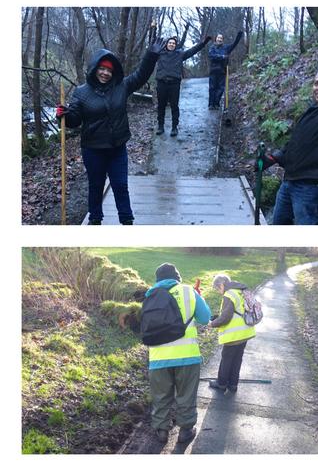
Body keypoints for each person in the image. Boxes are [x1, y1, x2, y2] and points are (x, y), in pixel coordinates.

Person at [56, 39, 164, 224]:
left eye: (109, 70)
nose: (105, 73)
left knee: (121, 186)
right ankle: (95, 219)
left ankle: (127, 220)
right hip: (93, 149)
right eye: (102, 68)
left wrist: (151, 55)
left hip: (117, 148)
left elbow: (141, 75)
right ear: (94, 68)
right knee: (96, 186)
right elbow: (74, 121)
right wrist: (63, 115)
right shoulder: (81, 92)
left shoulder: (121, 86)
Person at [267, 30, 318, 225]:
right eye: (316, 83)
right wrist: (275, 157)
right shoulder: (311, 111)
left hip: (311, 185)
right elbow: (297, 144)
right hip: (289, 181)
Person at [145, 263, 211, 444]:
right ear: (178, 278)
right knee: (186, 395)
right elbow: (205, 318)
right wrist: (199, 298)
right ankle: (185, 431)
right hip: (187, 357)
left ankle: (161, 432)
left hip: (158, 359)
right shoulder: (189, 292)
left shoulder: (150, 295)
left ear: (158, 279)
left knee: (161, 397)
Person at [208, 273, 256, 393]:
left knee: (227, 359)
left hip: (234, 335)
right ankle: (233, 384)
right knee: (237, 359)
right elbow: (235, 311)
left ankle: (222, 383)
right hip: (245, 331)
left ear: (222, 284)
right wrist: (216, 317)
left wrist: (212, 324)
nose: (219, 292)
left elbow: (226, 317)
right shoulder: (239, 290)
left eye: (218, 289)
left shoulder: (229, 294)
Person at [155, 34, 211, 136]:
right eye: (170, 43)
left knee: (174, 106)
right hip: (161, 83)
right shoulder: (160, 53)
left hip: (174, 84)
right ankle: (160, 126)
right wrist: (153, 30)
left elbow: (193, 50)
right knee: (161, 106)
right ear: (166, 44)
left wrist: (203, 43)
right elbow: (152, 46)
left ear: (176, 45)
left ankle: (174, 127)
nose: (171, 44)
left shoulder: (180, 54)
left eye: (173, 43)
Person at [207, 31, 244, 110]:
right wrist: (222, 57)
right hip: (213, 71)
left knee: (220, 88)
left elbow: (234, 44)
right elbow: (212, 56)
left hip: (222, 71)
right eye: (218, 38)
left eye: (221, 38)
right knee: (212, 88)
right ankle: (211, 104)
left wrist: (238, 36)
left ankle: (216, 103)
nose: (219, 39)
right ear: (216, 39)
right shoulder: (212, 48)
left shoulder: (226, 48)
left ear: (223, 40)